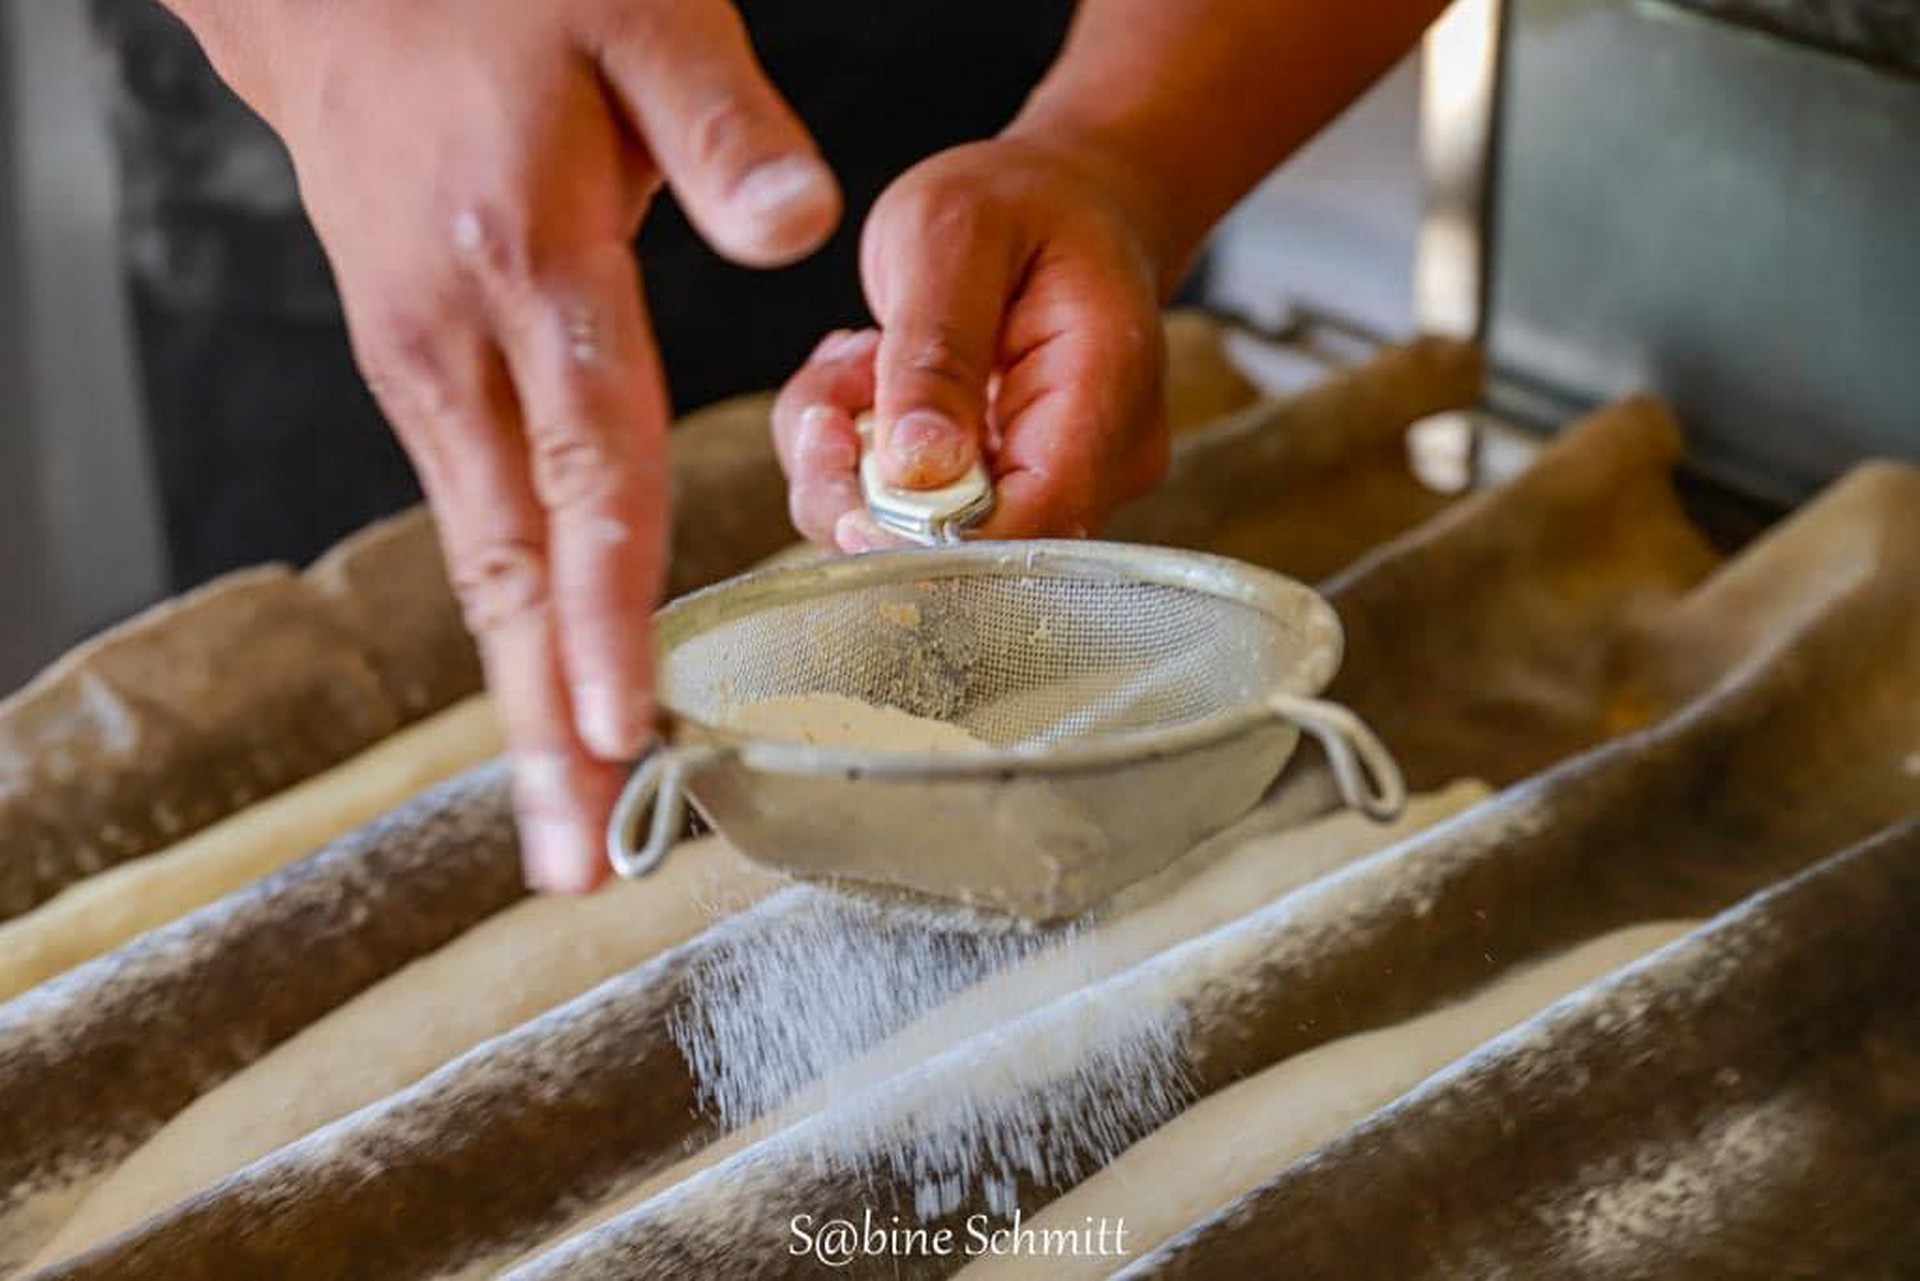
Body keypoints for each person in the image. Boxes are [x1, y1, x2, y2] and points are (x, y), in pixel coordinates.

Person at [154, 0, 1448, 893]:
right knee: (404, 772)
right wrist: (321, 32)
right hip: (394, 166)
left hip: (1001, 73)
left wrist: (1115, 155)